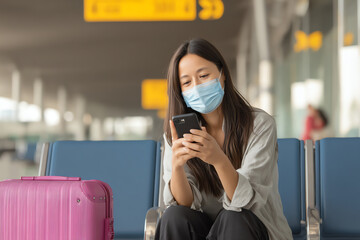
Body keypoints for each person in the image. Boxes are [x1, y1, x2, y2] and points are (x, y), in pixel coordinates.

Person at [155, 39, 292, 240]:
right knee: (173, 216)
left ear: (223, 74)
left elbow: (245, 203)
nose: (196, 87)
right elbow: (184, 205)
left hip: (252, 228)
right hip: (205, 228)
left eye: (203, 76)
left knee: (233, 217)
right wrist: (176, 168)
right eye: (186, 82)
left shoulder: (259, 125)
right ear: (180, 91)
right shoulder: (176, 133)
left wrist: (218, 159)